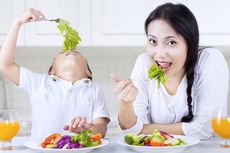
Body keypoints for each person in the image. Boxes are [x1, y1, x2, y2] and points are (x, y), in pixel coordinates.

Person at [111, 3, 229, 139]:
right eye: (153, 41)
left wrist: (143, 128)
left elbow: (204, 128)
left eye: (171, 42)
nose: (160, 54)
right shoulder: (144, 63)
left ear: (190, 44)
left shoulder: (209, 59)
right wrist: (126, 103)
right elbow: (130, 132)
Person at [0, 8, 110, 139]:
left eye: (78, 53)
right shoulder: (39, 83)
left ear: (89, 72)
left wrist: (87, 128)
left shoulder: (94, 90)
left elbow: (101, 129)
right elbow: (5, 65)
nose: (69, 51)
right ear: (51, 72)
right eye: (61, 53)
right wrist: (17, 23)